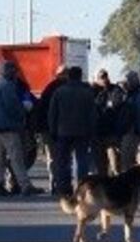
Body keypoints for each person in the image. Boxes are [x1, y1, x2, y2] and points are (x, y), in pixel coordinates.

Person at [0, 61, 43, 197]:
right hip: (8, 126)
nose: (15, 73)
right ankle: (25, 185)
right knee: (16, 157)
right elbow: (13, 106)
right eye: (13, 70)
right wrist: (25, 108)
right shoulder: (6, 85)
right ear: (6, 70)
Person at [49, 66, 97, 196]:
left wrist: (52, 130)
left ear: (69, 76)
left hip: (63, 132)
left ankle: (64, 188)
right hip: (83, 132)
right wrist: (93, 132)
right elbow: (92, 115)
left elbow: (53, 113)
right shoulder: (87, 92)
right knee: (82, 160)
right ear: (80, 76)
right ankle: (81, 188)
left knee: (63, 161)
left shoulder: (59, 92)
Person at [36, 66, 68, 193]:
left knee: (53, 157)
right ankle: (60, 183)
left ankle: (54, 183)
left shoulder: (49, 88)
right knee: (62, 157)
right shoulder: (63, 89)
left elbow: (41, 108)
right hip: (59, 129)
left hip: (49, 128)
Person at [92, 69, 123, 177]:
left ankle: (116, 183)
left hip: (111, 132)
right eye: (101, 77)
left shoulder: (115, 89)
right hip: (97, 133)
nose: (104, 79)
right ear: (96, 79)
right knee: (100, 165)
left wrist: (107, 107)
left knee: (115, 164)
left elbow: (116, 104)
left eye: (105, 76)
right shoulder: (93, 90)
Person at [116, 71, 140, 172]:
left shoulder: (135, 96)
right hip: (130, 131)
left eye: (127, 82)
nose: (125, 85)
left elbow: (130, 114)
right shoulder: (129, 95)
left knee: (127, 162)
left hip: (132, 131)